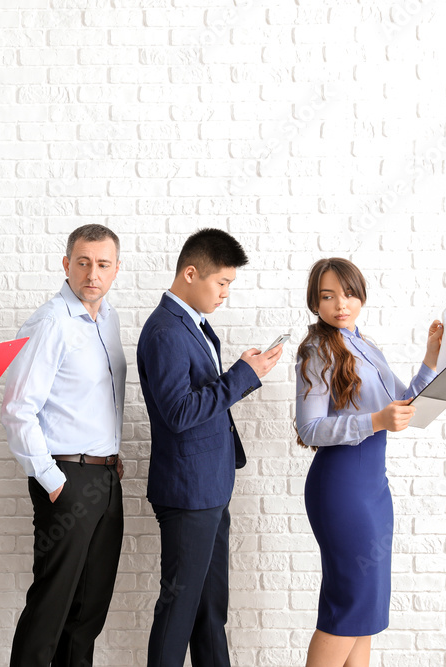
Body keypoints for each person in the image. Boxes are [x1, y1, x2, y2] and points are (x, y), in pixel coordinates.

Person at [137, 228, 282, 667]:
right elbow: (179, 412)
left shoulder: (194, 325)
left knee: (209, 610)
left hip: (211, 486)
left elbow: (204, 398)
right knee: (179, 610)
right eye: (222, 283)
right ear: (190, 273)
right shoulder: (165, 330)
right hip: (187, 491)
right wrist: (242, 375)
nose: (224, 294)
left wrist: (245, 373)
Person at [295, 258, 441, 667]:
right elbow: (309, 429)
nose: (339, 304)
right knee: (349, 602)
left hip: (374, 489)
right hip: (341, 488)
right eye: (327, 296)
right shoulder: (316, 349)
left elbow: (404, 403)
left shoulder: (365, 345)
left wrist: (430, 359)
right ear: (315, 301)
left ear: (360, 295)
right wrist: (376, 420)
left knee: (365, 609)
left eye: (347, 293)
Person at [1, 224, 127, 667]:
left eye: (103, 264)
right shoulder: (51, 322)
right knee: (51, 609)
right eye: (83, 262)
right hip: (66, 477)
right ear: (66, 265)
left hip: (106, 475)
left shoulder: (107, 319)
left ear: (116, 269)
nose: (92, 273)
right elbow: (17, 408)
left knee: (88, 611)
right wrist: (53, 479)